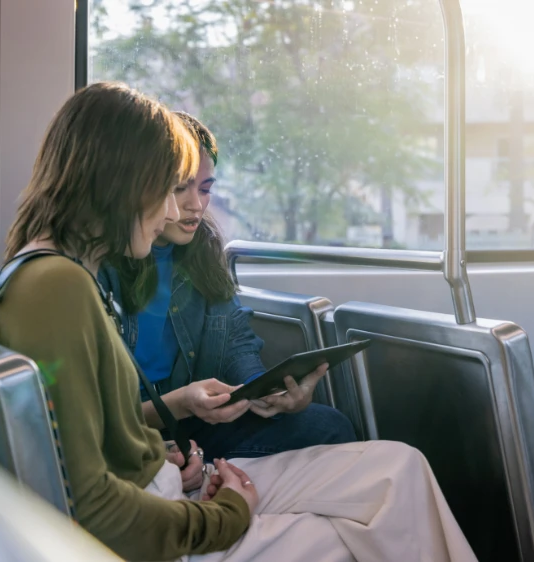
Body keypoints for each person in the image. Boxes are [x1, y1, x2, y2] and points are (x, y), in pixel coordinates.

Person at [0, 81, 475, 561]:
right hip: (158, 517)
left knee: (399, 469)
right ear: (122, 183)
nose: (178, 208)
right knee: (362, 525)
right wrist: (226, 513)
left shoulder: (55, 277)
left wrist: (199, 446)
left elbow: (100, 439)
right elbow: (94, 506)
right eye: (167, 188)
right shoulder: (59, 288)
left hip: (170, 480)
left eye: (199, 189)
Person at [98, 111, 356, 461]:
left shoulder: (202, 251)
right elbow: (95, 415)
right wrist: (180, 409)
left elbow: (235, 340)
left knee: (330, 426)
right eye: (179, 188)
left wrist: (267, 390)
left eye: (205, 189)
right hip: (131, 428)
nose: (194, 205)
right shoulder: (99, 265)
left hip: (193, 421)